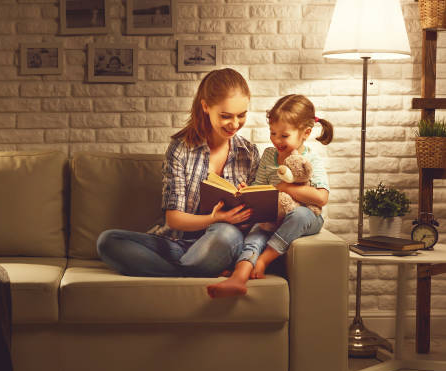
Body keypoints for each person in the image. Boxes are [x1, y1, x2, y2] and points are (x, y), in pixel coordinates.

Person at [97, 68, 260, 278]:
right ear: (205, 107)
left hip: (221, 242)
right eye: (226, 116)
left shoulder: (249, 153)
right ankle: (190, 271)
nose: (235, 124)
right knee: (108, 241)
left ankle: (181, 271)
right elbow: (174, 220)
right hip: (176, 244)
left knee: (225, 233)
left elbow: (258, 222)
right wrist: (214, 217)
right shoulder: (181, 149)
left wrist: (244, 210)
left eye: (242, 115)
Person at [206, 94, 334, 298]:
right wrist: (246, 192)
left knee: (299, 215)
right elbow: (260, 186)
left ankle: (264, 260)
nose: (276, 140)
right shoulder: (268, 155)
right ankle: (238, 278)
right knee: (257, 233)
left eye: (284, 136)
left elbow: (321, 198)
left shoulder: (310, 159)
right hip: (273, 216)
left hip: (307, 216)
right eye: (273, 133)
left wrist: (286, 188)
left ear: (306, 133)